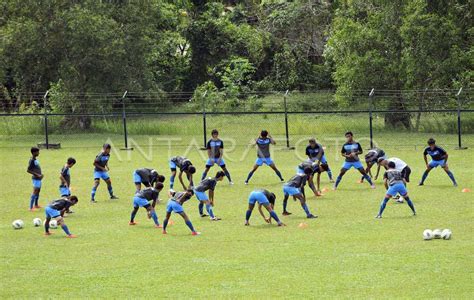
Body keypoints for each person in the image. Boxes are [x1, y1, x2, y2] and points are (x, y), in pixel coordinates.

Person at [27, 147, 43, 211]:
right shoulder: (32, 160)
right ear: (33, 153)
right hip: (36, 179)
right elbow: (28, 170)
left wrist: (40, 175)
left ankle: (36, 205)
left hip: (38, 179)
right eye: (37, 152)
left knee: (38, 191)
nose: (38, 153)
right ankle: (30, 208)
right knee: (35, 191)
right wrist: (38, 175)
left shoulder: (35, 159)